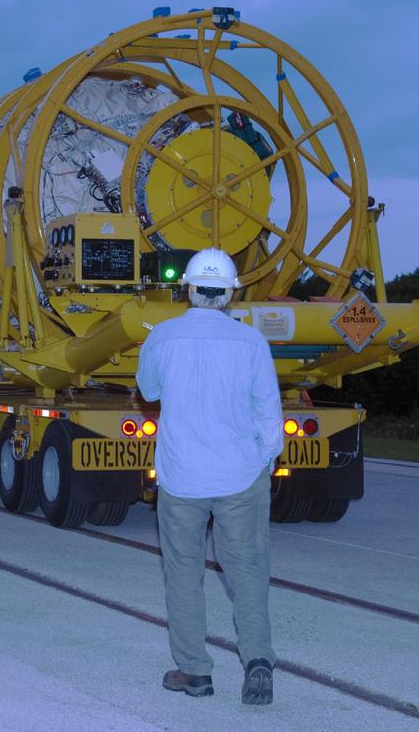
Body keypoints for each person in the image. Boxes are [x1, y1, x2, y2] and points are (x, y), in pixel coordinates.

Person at [136, 247, 281, 706]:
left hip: (182, 478)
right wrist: (262, 461)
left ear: (190, 288)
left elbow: (148, 390)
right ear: (231, 293)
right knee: (248, 571)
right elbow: (268, 414)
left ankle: (195, 672)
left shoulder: (162, 337)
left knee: (183, 573)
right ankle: (257, 660)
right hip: (240, 475)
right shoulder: (252, 342)